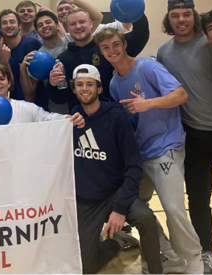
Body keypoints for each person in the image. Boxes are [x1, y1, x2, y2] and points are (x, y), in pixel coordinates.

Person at [95, 27, 203, 274]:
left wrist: (148, 103)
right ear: (101, 52)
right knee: (137, 210)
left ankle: (194, 261)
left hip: (165, 147)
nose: (112, 51)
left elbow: (181, 94)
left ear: (123, 44)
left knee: (173, 208)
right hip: (140, 155)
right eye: (105, 48)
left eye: (115, 44)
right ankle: (168, 255)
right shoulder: (113, 83)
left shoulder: (148, 68)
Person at [160, 1, 212, 273]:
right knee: (198, 198)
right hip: (191, 136)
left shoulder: (211, 43)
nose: (181, 20)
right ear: (169, 19)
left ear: (195, 17)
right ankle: (207, 251)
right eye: (175, 15)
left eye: (186, 15)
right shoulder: (164, 51)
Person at [70, 64, 162, 274]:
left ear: (99, 89)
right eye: (80, 85)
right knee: (85, 267)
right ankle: (116, 244)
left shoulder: (117, 118)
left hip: (114, 193)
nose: (85, 89)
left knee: (146, 218)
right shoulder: (73, 117)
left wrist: (119, 209)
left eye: (90, 84)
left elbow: (133, 166)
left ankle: (156, 269)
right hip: (87, 199)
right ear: (74, 89)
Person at [47, 7, 149, 111]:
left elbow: (140, 35)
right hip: (82, 120)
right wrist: (53, 84)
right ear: (68, 28)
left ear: (90, 23)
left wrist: (133, 7)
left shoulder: (108, 47)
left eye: (82, 22)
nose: (78, 26)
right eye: (73, 24)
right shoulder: (63, 59)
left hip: (115, 116)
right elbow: (60, 99)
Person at [0, 63, 84, 126]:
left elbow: (47, 118)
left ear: (9, 83)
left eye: (1, 79)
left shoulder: (25, 107)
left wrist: (68, 119)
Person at [0, 9, 41, 104]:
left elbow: (31, 88)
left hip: (36, 105)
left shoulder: (31, 44)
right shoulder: (1, 51)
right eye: (4, 23)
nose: (8, 26)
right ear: (0, 28)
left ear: (19, 25)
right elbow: (11, 86)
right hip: (16, 104)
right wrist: (4, 62)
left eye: (12, 22)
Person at [54, 0, 131, 36]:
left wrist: (130, 10)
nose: (64, 11)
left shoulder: (91, 27)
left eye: (67, 8)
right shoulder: (55, 34)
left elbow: (123, 27)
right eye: (60, 10)